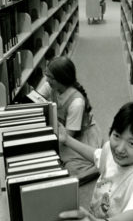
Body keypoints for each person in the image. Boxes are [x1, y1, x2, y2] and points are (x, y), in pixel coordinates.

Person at [37, 55, 103, 183]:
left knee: (71, 170)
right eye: (47, 74)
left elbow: (68, 137)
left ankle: (96, 168)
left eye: (50, 77)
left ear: (61, 79)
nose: (47, 79)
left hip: (76, 135)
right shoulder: (50, 86)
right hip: (61, 128)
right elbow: (36, 99)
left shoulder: (76, 102)